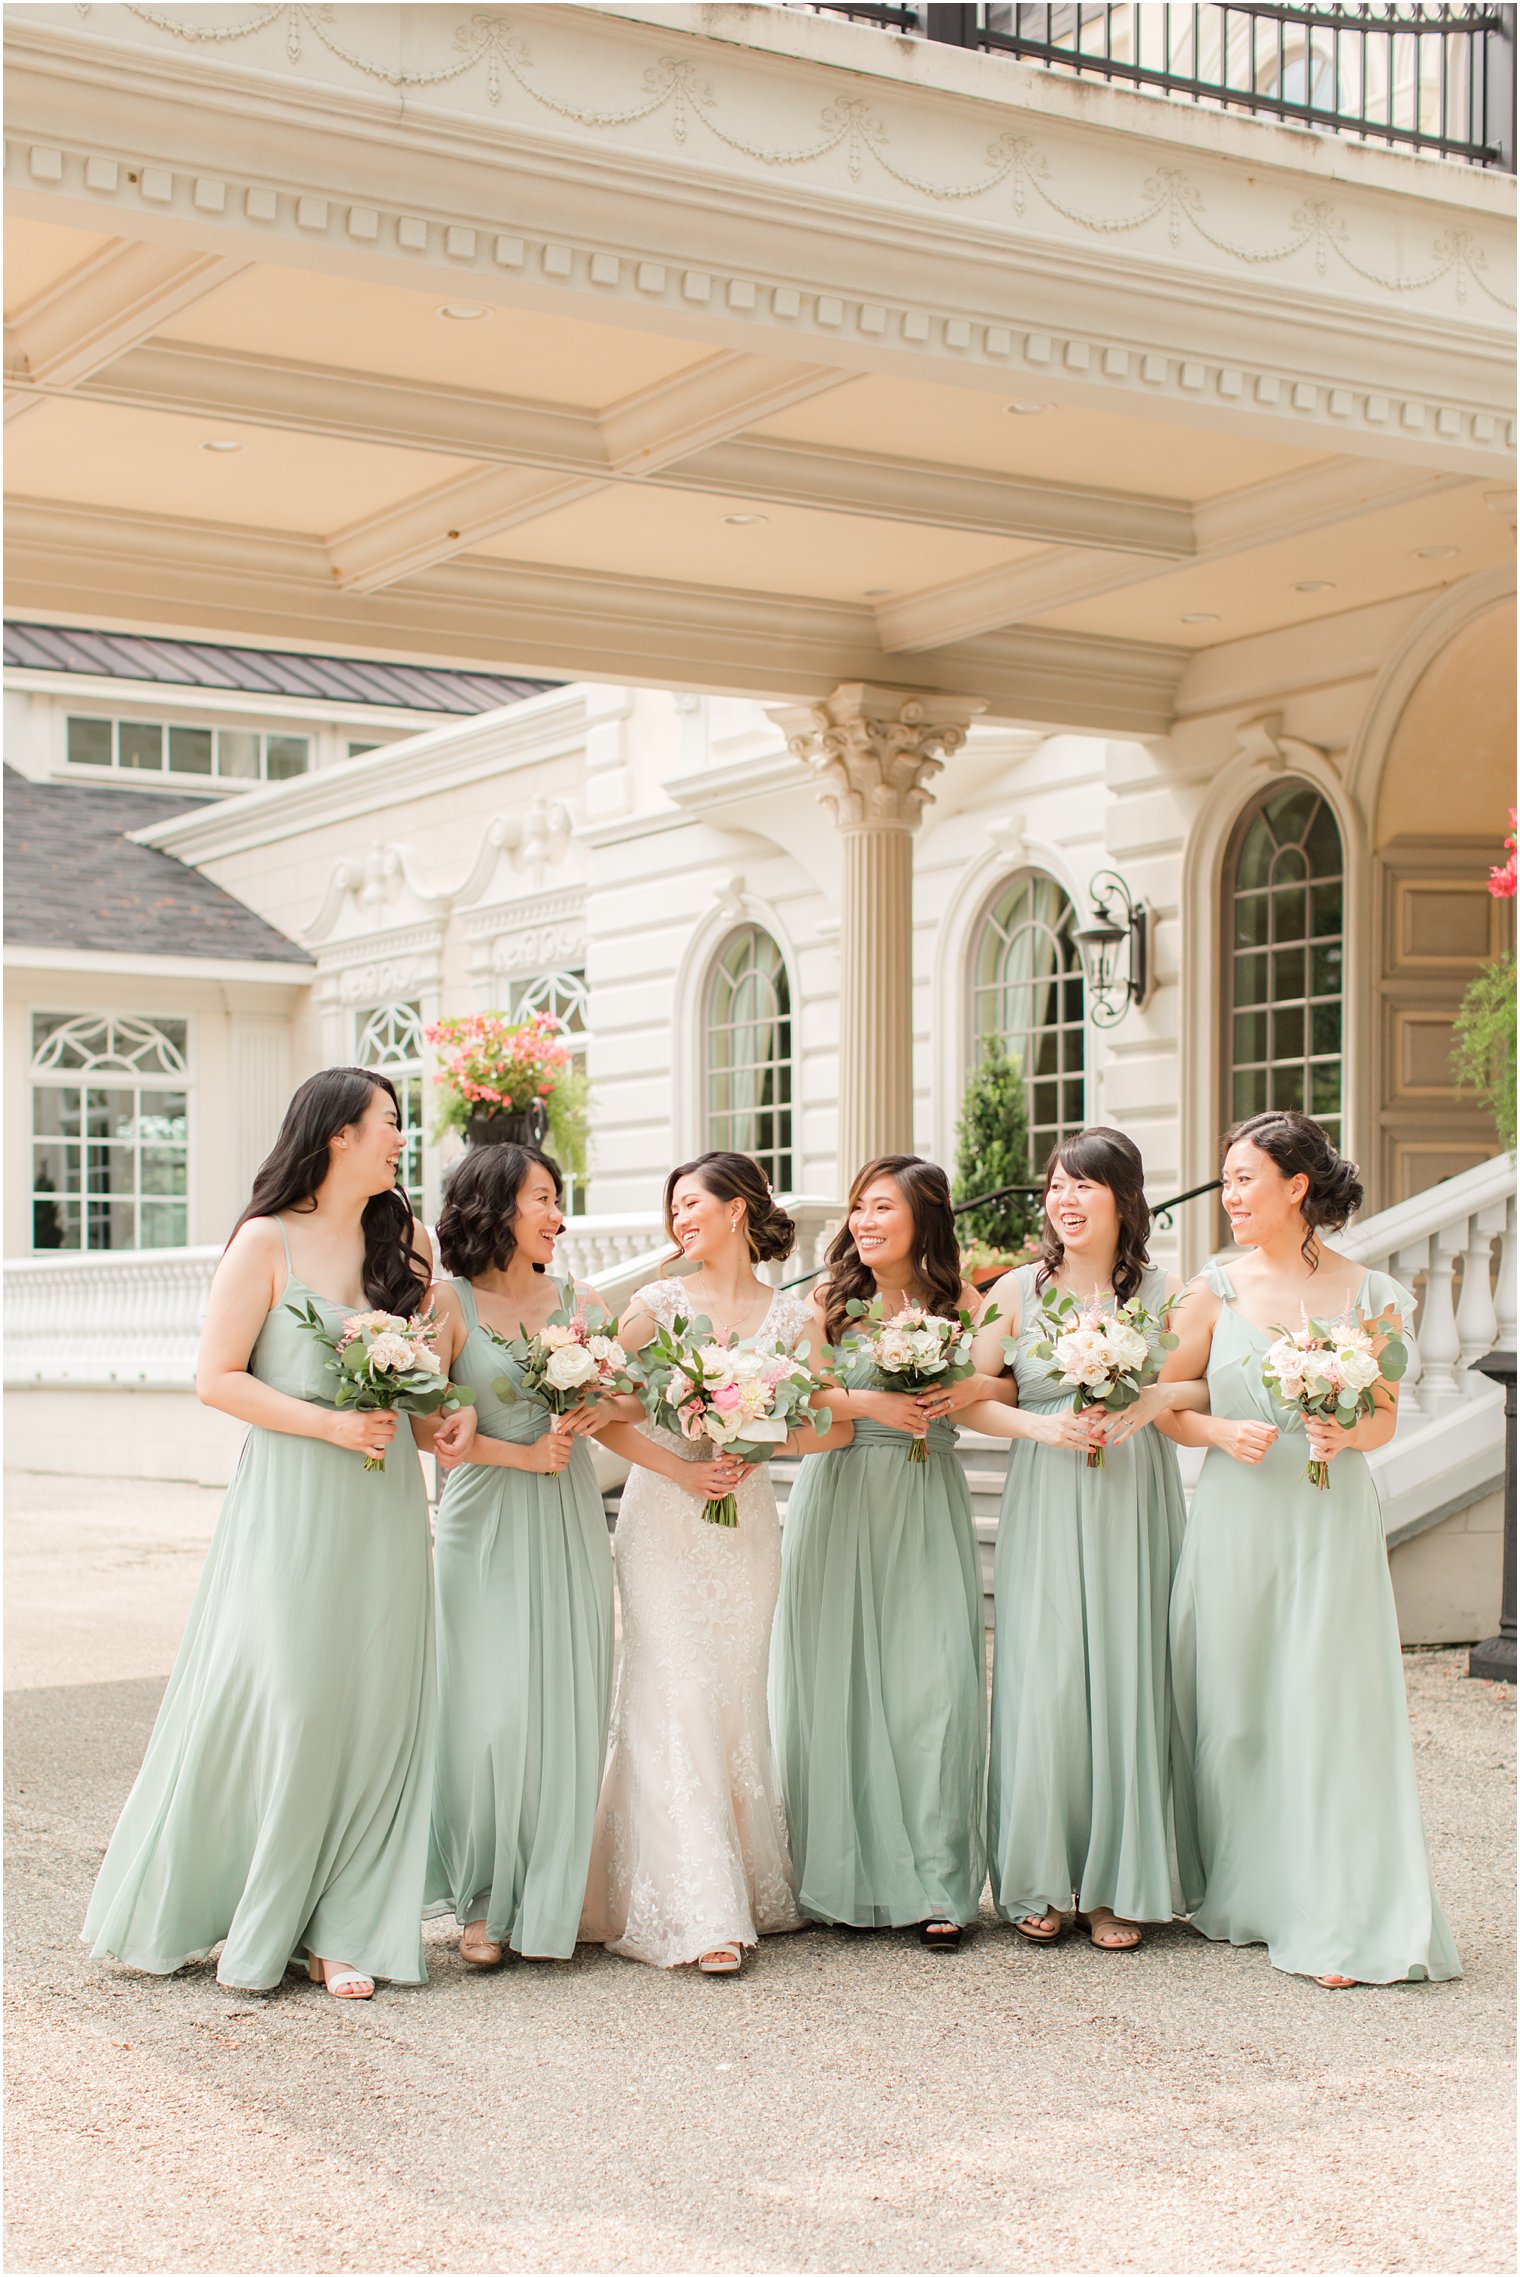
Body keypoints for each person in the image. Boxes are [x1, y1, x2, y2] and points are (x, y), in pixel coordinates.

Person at [83, 1069, 471, 1999]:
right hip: (292, 1503)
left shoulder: (405, 1242)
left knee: (377, 1706)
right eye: (387, 1122)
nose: (399, 1138)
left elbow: (418, 1386)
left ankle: (344, 1926)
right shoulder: (266, 1239)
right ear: (337, 1133)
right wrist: (330, 1424)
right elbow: (217, 1377)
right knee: (296, 1701)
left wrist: (442, 1416)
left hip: (383, 1507)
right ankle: (260, 1906)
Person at [1165, 1110, 1460, 1987]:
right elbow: (1164, 1404)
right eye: (1226, 1181)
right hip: (1237, 1520)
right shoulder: (1210, 1288)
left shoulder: (1374, 1296)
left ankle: (1339, 1913)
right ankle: (1254, 1895)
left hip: (1328, 1522)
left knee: (1331, 1708)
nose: (1231, 1196)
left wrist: (1347, 1434)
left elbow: (1383, 1415)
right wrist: (1219, 1428)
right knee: (1240, 1710)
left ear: (1297, 1186)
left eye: (1245, 1179)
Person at [581, 1153, 846, 1975]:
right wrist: (682, 1467)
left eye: (693, 1203)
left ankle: (738, 1882)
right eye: (674, 1209)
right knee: (677, 1693)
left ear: (739, 1209)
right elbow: (599, 1407)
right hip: (665, 1519)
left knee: (730, 1699)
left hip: (744, 1528)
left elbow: (830, 1424)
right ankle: (700, 1911)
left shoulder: (795, 1316)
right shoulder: (657, 1305)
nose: (680, 1219)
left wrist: (758, 1437)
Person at [963, 1128, 1205, 1951]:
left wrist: (1153, 1397)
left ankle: (1117, 1886)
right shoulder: (1016, 1290)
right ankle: (1038, 1877)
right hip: (1048, 1490)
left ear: (1124, 1199)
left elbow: (1198, 1379)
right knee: (1048, 1676)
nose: (1064, 1201)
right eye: (1056, 1186)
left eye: (1084, 1186)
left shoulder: (1162, 1290)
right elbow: (972, 1395)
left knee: (1129, 1671)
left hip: (1133, 1497)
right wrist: (1044, 1424)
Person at [770, 1154, 1007, 1950]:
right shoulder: (828, 1303)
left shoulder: (963, 1302)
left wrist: (969, 1390)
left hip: (925, 1496)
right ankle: (843, 1877)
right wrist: (871, 1398)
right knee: (837, 1683)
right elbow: (803, 1397)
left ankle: (939, 1880)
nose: (865, 1223)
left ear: (924, 1218)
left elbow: (1004, 1385)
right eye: (859, 1209)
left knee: (932, 1683)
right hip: (840, 1494)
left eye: (883, 1208)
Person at [422, 1144, 617, 1970]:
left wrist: (591, 1414)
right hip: (484, 1516)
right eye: (541, 1196)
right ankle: (483, 1896)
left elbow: (619, 1399)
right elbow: (429, 1430)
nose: (555, 1213)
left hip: (569, 1514)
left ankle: (545, 1896)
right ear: (495, 1204)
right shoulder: (447, 1302)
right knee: (492, 1711)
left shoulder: (583, 1300)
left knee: (564, 1700)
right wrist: (520, 1455)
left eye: (557, 1198)